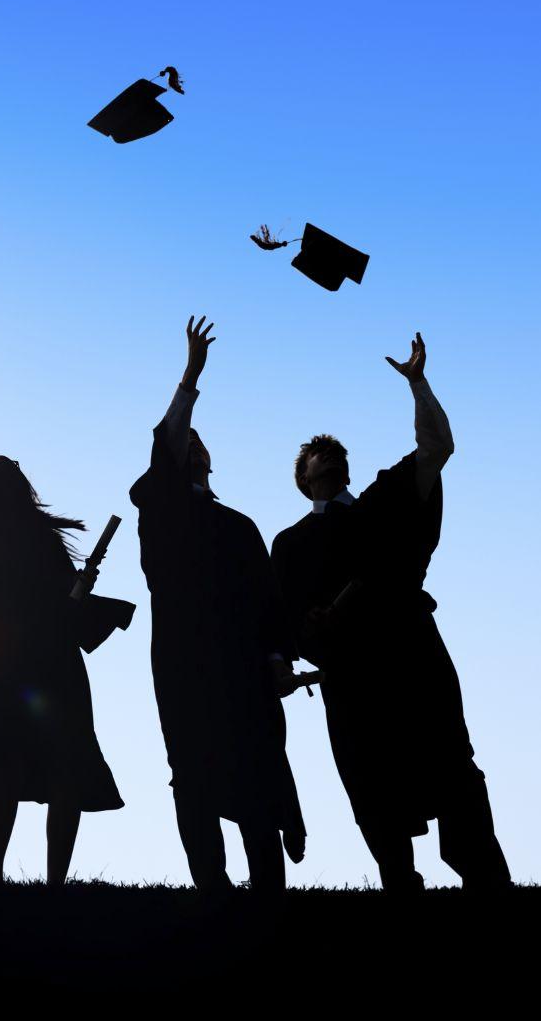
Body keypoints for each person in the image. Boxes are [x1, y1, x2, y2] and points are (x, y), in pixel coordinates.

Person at [271, 333, 509, 891]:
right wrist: (303, 640)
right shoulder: (289, 543)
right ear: (303, 477)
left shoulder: (383, 500)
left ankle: (490, 883)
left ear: (347, 470)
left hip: (412, 654)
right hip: (349, 675)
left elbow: (437, 448)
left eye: (335, 452)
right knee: (368, 779)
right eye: (315, 454)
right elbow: (281, 615)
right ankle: (400, 884)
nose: (327, 455)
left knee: (451, 766)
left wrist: (418, 384)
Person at [0, 344, 123, 886]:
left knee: (39, 770)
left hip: (13, 660)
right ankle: (15, 879)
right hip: (24, 660)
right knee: (24, 770)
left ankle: (5, 878)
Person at [128, 317, 304, 892]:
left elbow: (269, 602)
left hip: (242, 665)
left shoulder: (240, 526)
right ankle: (211, 887)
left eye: (201, 441)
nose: (193, 442)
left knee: (255, 769)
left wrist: (278, 657)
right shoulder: (160, 510)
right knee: (193, 775)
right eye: (188, 439)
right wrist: (191, 375)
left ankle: (268, 891)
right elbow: (165, 440)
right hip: (182, 662)